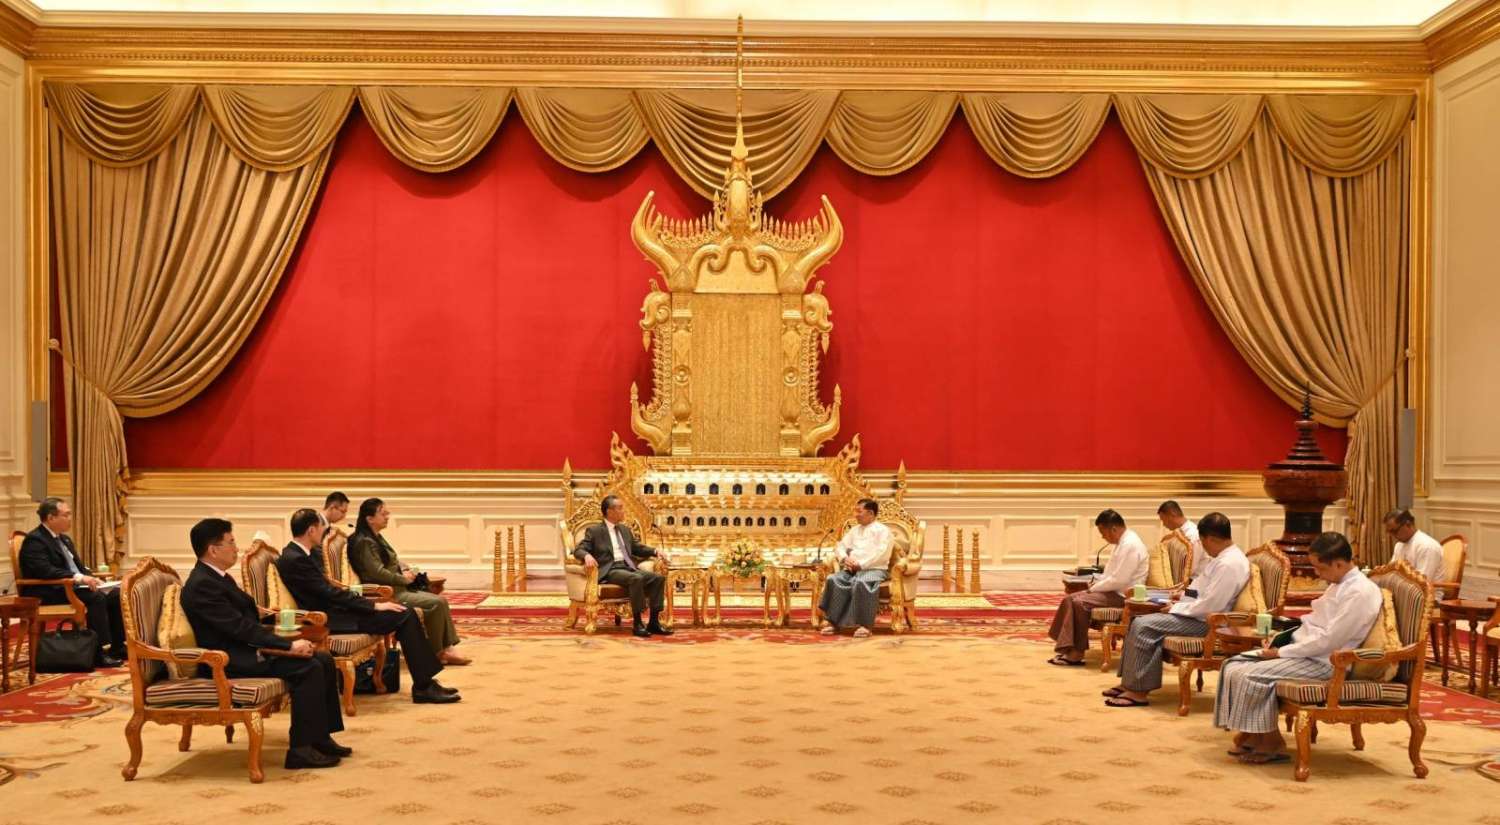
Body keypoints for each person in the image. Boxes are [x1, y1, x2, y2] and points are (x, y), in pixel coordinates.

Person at [179, 518, 348, 769]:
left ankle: (320, 738)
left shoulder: (216, 577)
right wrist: (288, 646)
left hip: (242, 648)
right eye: (231, 542)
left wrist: (271, 623)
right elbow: (240, 628)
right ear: (213, 550)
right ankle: (300, 749)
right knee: (308, 667)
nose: (236, 548)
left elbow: (243, 617)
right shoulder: (202, 584)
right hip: (228, 660)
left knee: (323, 658)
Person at [1215, 532, 1383, 764]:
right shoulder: (1339, 584)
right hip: (1306, 652)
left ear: (1338, 564)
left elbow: (1329, 640)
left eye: (1320, 568)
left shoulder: (1360, 592)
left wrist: (1281, 652)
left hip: (1327, 662)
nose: (1317, 574)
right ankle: (1252, 732)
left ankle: (1271, 740)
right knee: (1233, 665)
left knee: (1250, 675)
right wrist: (1281, 639)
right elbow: (1313, 624)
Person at [276, 508, 460, 704]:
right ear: (311, 530)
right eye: (322, 527)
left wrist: (369, 604)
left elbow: (329, 589)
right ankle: (424, 687)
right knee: (405, 615)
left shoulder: (300, 554)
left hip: (338, 610)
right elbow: (328, 593)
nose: (324, 531)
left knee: (405, 613)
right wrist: (373, 606)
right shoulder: (296, 559)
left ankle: (425, 683)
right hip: (330, 619)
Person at [1104, 512, 1250, 707]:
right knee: (1136, 620)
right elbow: (1199, 587)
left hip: (1209, 623)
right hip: (1197, 614)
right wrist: (1180, 596)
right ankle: (1129, 682)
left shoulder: (1230, 564)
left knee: (1144, 625)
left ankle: (1138, 691)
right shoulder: (1222, 558)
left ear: (1211, 539)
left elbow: (1212, 605)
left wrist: (1176, 608)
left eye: (1202, 542)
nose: (1203, 547)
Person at [347, 497, 469, 666]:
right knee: (437, 603)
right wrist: (403, 579)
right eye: (383, 513)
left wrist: (404, 569)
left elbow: (390, 560)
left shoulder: (375, 537)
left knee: (438, 599)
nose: (387, 516)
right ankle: (437, 652)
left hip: (397, 587)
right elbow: (377, 573)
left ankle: (445, 649)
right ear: (370, 519)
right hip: (388, 593)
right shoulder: (365, 542)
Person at [17, 498, 125, 667]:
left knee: (115, 594)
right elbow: (45, 571)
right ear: (51, 518)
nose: (70, 518)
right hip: (47, 592)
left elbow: (79, 567)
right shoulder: (35, 540)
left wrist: (92, 578)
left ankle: (117, 647)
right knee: (96, 598)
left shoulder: (64, 539)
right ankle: (99, 652)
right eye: (66, 515)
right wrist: (79, 578)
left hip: (68, 588)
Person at [1047, 509, 1148, 665]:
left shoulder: (1131, 545)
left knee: (1079, 603)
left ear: (1113, 529)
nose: (1103, 537)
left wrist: (1093, 589)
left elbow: (1119, 580)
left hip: (1124, 596)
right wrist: (1095, 584)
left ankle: (1076, 654)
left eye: (1103, 533)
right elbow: (1110, 574)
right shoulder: (1121, 543)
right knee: (1070, 599)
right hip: (1113, 591)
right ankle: (1067, 648)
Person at [572, 495, 672, 638]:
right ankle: (638, 623)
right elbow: (579, 549)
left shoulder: (624, 530)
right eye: (620, 508)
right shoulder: (595, 531)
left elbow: (637, 548)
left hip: (627, 567)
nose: (623, 511)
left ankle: (654, 622)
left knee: (658, 579)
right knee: (635, 578)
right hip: (611, 570)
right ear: (609, 511)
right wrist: (587, 555)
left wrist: (655, 551)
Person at [818, 499, 892, 638]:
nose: (855, 514)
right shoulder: (854, 530)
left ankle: (865, 626)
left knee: (862, 582)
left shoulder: (883, 531)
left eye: (859, 511)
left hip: (874, 569)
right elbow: (840, 546)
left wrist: (861, 565)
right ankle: (833, 622)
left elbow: (882, 554)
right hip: (852, 569)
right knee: (833, 579)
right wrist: (844, 558)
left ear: (870, 513)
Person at [1384, 509, 1446, 594]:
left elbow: (1421, 583)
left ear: (1408, 524)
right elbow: (1391, 573)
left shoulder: (1427, 546)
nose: (1392, 536)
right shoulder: (1399, 545)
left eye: (1394, 531)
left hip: (1427, 597)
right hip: (1403, 592)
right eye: (1389, 532)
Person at [1157, 499, 1203, 574]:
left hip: (1194, 578)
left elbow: (1190, 569)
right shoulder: (1178, 533)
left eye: (1163, 520)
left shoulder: (1193, 535)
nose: (1164, 524)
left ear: (1172, 515)